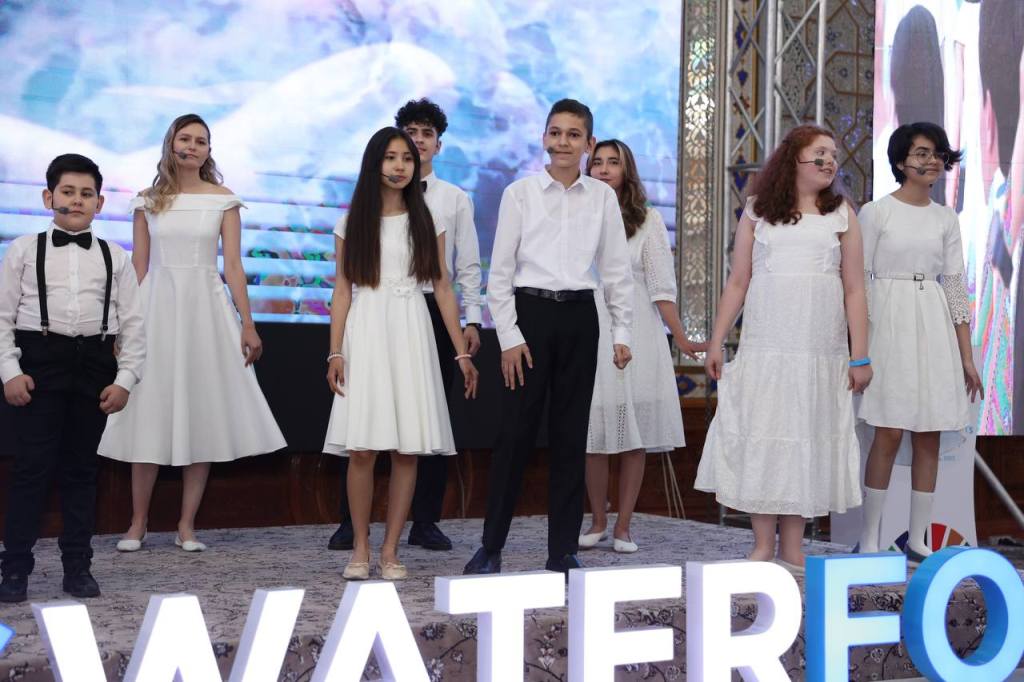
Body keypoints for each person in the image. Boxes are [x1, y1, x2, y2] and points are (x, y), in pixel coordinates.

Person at [99, 114, 286, 553]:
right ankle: (138, 523)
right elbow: (139, 265)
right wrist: (124, 324)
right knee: (146, 408)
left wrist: (248, 322)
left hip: (206, 309)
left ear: (208, 150)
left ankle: (186, 525)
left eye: (201, 141)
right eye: (185, 138)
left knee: (201, 410)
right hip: (157, 307)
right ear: (171, 143)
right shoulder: (148, 200)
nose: (192, 146)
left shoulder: (224, 200)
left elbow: (233, 265)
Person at [463, 98, 634, 578]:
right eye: (555, 133)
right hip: (529, 317)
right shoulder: (519, 194)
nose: (563, 142)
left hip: (580, 317)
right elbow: (500, 273)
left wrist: (622, 331)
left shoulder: (602, 198)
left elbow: (616, 270)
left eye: (573, 135)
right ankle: (491, 546)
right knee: (514, 436)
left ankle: (562, 550)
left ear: (588, 143)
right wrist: (510, 337)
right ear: (543, 138)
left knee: (570, 438)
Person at [694, 124, 870, 574]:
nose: (829, 162)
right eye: (819, 154)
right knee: (767, 437)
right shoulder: (758, 211)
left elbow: (854, 289)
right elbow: (738, 281)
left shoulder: (842, 214)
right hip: (767, 347)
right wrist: (716, 341)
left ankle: (793, 548)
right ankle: (761, 544)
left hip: (819, 350)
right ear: (793, 160)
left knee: (804, 440)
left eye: (833, 156)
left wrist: (860, 355)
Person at [328, 98, 483, 553]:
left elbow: (444, 286)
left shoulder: (431, 217)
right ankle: (360, 544)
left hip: (413, 326)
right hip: (367, 328)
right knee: (361, 445)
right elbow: (342, 291)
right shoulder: (350, 221)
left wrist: (461, 350)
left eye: (407, 159)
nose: (399, 166)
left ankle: (393, 547)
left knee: (408, 445)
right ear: (374, 162)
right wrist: (335, 351)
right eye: (391, 157)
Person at [0, 154, 145, 601]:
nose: (77, 200)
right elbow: (2, 317)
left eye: (86, 194)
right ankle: (15, 569)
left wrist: (125, 379)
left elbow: (134, 324)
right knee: (31, 470)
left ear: (99, 204)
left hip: (94, 365)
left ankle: (78, 566)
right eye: (68, 192)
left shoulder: (115, 257)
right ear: (49, 198)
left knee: (82, 471)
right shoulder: (23, 250)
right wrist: (10, 371)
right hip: (39, 364)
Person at [857, 123, 983, 561]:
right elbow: (859, 281)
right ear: (900, 161)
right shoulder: (876, 212)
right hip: (887, 322)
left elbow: (955, 285)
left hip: (932, 321)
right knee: (888, 430)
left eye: (937, 154)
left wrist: (966, 357)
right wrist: (860, 347)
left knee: (928, 432)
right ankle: (870, 537)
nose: (932, 162)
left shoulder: (945, 217)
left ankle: (917, 539)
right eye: (922, 153)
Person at [579, 139, 703, 554]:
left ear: (626, 170)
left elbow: (660, 286)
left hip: (637, 330)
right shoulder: (576, 213)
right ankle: (597, 521)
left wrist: (680, 336)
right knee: (594, 433)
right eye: (597, 162)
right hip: (589, 326)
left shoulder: (647, 219)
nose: (604, 169)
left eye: (613, 162)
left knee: (632, 436)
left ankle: (624, 526)